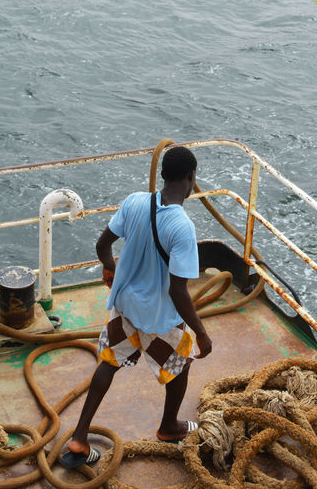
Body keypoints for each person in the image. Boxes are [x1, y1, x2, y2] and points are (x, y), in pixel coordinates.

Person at [61, 145, 212, 469]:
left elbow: (103, 245)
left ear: (163, 175)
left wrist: (110, 268)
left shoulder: (134, 202)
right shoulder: (182, 227)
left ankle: (80, 435)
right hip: (159, 318)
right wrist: (201, 333)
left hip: (125, 305)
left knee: (108, 364)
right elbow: (178, 290)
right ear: (190, 177)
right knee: (181, 364)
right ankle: (169, 426)